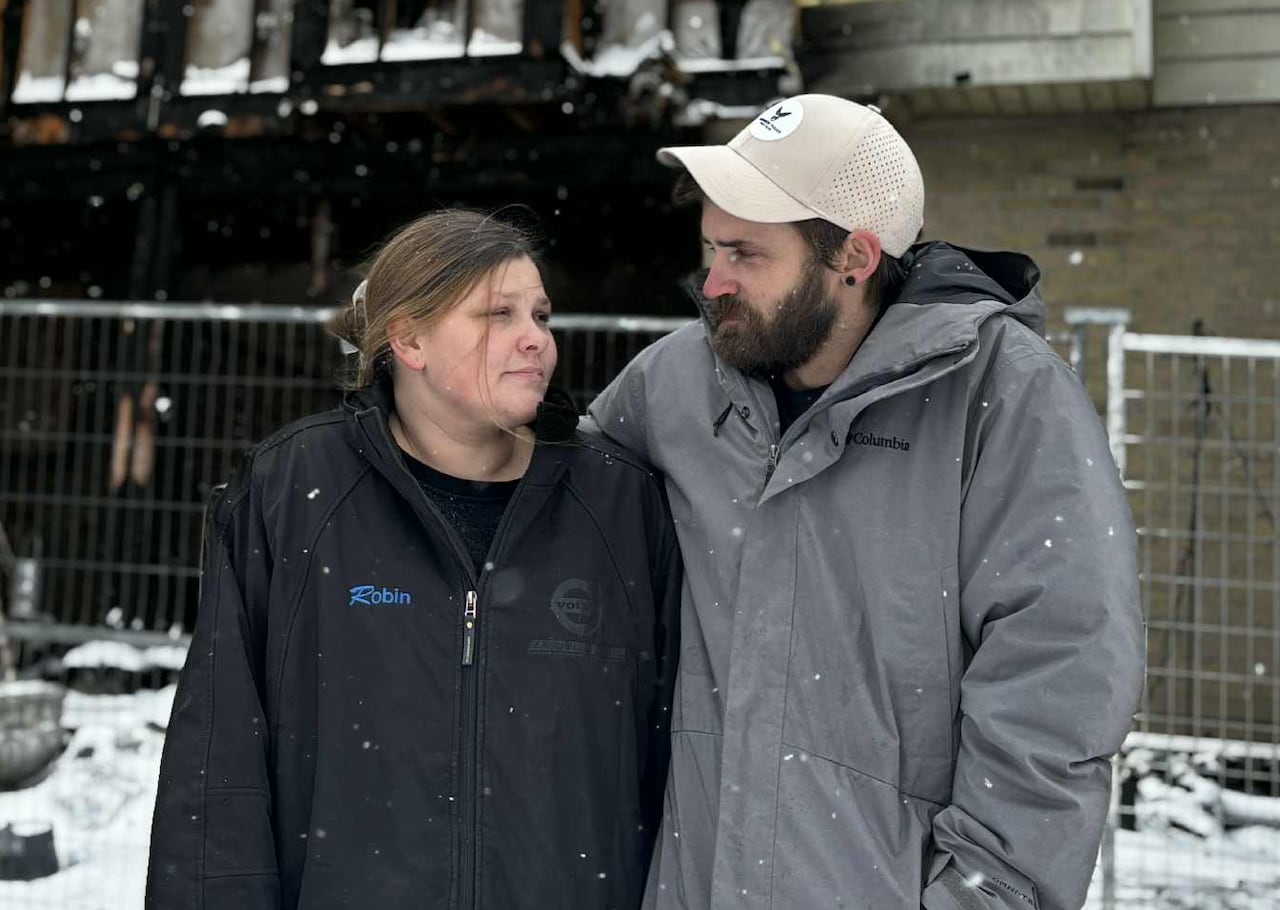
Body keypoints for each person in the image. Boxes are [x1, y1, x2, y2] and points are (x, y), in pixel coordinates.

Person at [587, 94, 1144, 910]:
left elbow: (1059, 674)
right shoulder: (671, 383)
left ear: (853, 255)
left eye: (744, 254)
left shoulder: (1003, 397)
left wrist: (983, 896)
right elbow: (546, 516)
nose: (713, 283)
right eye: (710, 248)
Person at [147, 209, 681, 910]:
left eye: (541, 316)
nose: (535, 342)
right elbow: (218, 770)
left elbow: (679, 762)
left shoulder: (620, 504)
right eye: (498, 315)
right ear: (409, 338)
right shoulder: (294, 494)